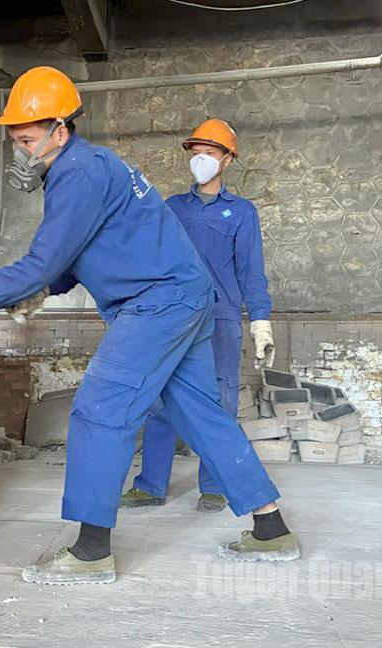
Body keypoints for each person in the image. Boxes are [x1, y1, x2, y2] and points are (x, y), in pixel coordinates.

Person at [0, 66, 301, 585]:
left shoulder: (77, 174)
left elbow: (43, 260)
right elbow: (73, 258)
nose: (18, 153)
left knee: (99, 409)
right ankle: (271, 528)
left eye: (25, 140)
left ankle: (90, 553)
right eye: (13, 141)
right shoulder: (90, 167)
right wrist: (43, 291)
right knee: (202, 412)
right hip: (185, 296)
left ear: (59, 129)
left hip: (158, 303)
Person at [121, 119, 275, 513]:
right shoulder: (172, 207)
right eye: (196, 152)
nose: (201, 159)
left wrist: (260, 320)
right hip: (172, 316)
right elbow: (151, 261)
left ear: (227, 160)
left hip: (221, 318)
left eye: (209, 153)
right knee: (161, 398)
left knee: (219, 401)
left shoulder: (241, 212)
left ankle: (215, 483)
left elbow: (251, 272)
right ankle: (151, 484)